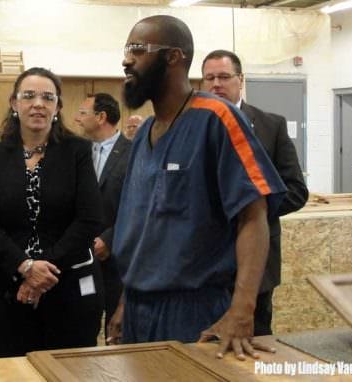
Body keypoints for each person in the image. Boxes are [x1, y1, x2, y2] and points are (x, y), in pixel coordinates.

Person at [111, 15, 287, 360]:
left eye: (138, 49)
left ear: (173, 57)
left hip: (194, 310)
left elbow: (254, 216)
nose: (126, 60)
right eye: (127, 49)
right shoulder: (144, 133)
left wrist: (242, 310)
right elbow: (140, 232)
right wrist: (124, 302)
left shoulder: (216, 118)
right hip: (138, 308)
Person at [0, 67, 104, 357]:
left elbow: (89, 218)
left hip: (69, 288)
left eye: (48, 97)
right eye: (29, 96)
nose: (38, 104)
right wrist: (25, 267)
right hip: (9, 289)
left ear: (58, 106)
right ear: (14, 103)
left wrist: (42, 271)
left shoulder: (77, 151)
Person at [202, 49, 308, 336]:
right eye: (209, 78)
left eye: (224, 77)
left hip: (256, 266)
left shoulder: (270, 126)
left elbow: (297, 191)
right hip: (204, 264)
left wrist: (249, 209)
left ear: (241, 80)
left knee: (253, 346)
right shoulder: (192, 127)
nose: (216, 84)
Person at [74, 92, 131, 339]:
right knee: (82, 324)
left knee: (116, 331)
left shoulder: (133, 152)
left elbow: (137, 206)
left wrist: (110, 239)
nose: (77, 119)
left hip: (119, 259)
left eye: (83, 113)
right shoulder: (77, 152)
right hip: (81, 256)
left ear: (101, 117)